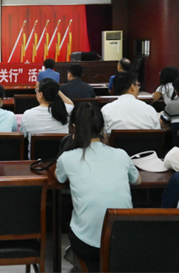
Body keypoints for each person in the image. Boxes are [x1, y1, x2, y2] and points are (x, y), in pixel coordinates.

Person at [56, 103, 141, 272]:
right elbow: (137, 180)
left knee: (71, 221)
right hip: (122, 241)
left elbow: (60, 178)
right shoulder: (121, 154)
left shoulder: (67, 158)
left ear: (73, 128)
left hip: (88, 246)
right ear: (102, 128)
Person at [21, 80, 74, 157]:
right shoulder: (66, 110)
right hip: (61, 158)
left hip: (36, 161)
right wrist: (56, 90)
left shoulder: (28, 114)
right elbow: (71, 104)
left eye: (36, 90)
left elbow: (23, 136)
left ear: (41, 94)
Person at [101, 71, 160, 136]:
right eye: (137, 85)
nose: (138, 88)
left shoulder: (106, 110)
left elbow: (103, 136)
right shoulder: (150, 110)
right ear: (132, 87)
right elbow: (158, 135)